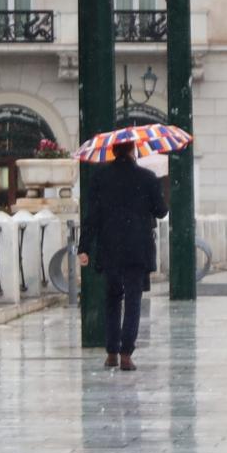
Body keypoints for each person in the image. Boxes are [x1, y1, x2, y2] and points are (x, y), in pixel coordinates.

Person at [77, 141, 168, 372]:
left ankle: (111, 353)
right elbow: (161, 211)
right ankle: (126, 354)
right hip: (138, 248)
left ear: (113, 151)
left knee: (112, 298)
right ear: (133, 150)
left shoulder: (100, 178)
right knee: (134, 300)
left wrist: (84, 247)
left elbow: (92, 216)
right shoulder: (147, 177)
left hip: (110, 247)